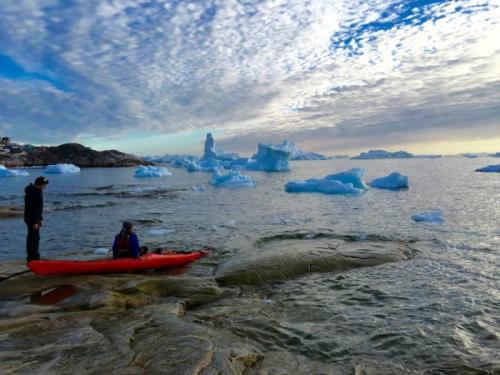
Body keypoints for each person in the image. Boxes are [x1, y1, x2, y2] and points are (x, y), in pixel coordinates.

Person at [24, 176, 49, 262]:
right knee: (33, 238)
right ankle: (32, 258)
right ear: (40, 184)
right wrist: (35, 222)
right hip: (32, 219)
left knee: (35, 237)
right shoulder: (32, 192)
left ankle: (34, 257)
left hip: (36, 218)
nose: (46, 186)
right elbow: (31, 208)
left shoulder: (38, 191)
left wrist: (40, 218)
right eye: (45, 184)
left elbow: (39, 208)